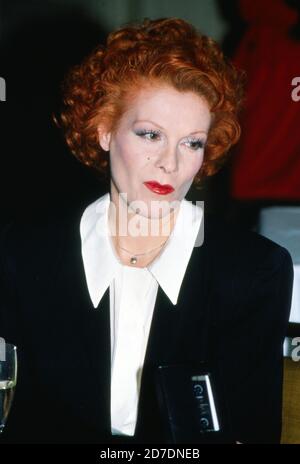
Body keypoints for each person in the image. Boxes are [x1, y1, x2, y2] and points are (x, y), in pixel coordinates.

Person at [0, 17, 294, 444]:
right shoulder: (23, 255)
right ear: (103, 130)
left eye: (191, 142)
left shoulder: (253, 271)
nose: (170, 164)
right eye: (150, 134)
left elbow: (250, 434)